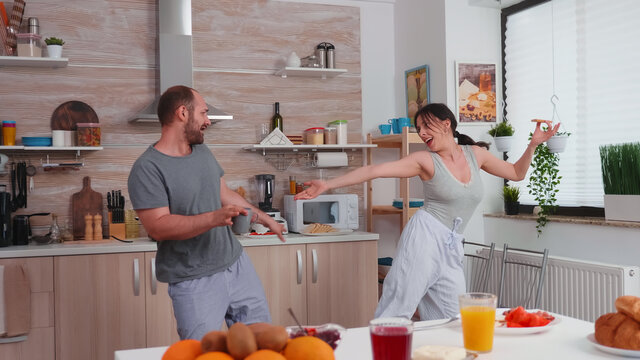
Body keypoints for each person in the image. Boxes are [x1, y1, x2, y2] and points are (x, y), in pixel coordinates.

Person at [294, 103, 559, 320]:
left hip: (452, 243)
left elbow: (516, 173)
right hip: (424, 237)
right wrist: (327, 184)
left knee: (454, 318)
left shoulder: (475, 155)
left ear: (447, 124)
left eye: (426, 126)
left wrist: (533, 144)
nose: (421, 133)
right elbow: (374, 171)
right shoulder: (424, 161)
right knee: (396, 310)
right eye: (418, 128)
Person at [128, 85, 285, 340]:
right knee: (204, 354)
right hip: (193, 279)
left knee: (262, 344)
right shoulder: (147, 168)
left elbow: (223, 193)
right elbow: (158, 226)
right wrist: (214, 218)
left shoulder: (201, 151)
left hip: (236, 264)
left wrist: (266, 218)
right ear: (182, 113)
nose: (208, 121)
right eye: (203, 113)